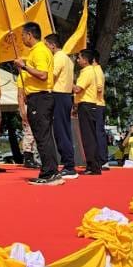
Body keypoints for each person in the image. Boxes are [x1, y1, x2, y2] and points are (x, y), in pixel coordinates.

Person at [12, 22, 61, 185]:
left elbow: (42, 75)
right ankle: (51, 171)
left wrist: (24, 66)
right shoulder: (38, 51)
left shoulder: (39, 51)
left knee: (42, 136)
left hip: (40, 98)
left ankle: (49, 173)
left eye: (22, 36)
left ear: (29, 35)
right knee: (44, 136)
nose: (22, 39)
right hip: (39, 97)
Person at [44, 33, 78, 178]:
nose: (45, 48)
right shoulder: (68, 59)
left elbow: (50, 76)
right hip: (65, 96)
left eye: (46, 45)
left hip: (59, 95)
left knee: (61, 132)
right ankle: (68, 163)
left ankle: (69, 165)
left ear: (52, 45)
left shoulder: (58, 58)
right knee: (63, 131)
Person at [73, 48, 106, 175]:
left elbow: (77, 89)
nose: (78, 60)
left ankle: (93, 165)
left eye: (79, 58)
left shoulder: (87, 72)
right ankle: (94, 165)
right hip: (89, 105)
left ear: (85, 60)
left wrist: (65, 82)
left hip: (87, 105)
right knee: (90, 136)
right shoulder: (90, 71)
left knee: (88, 137)